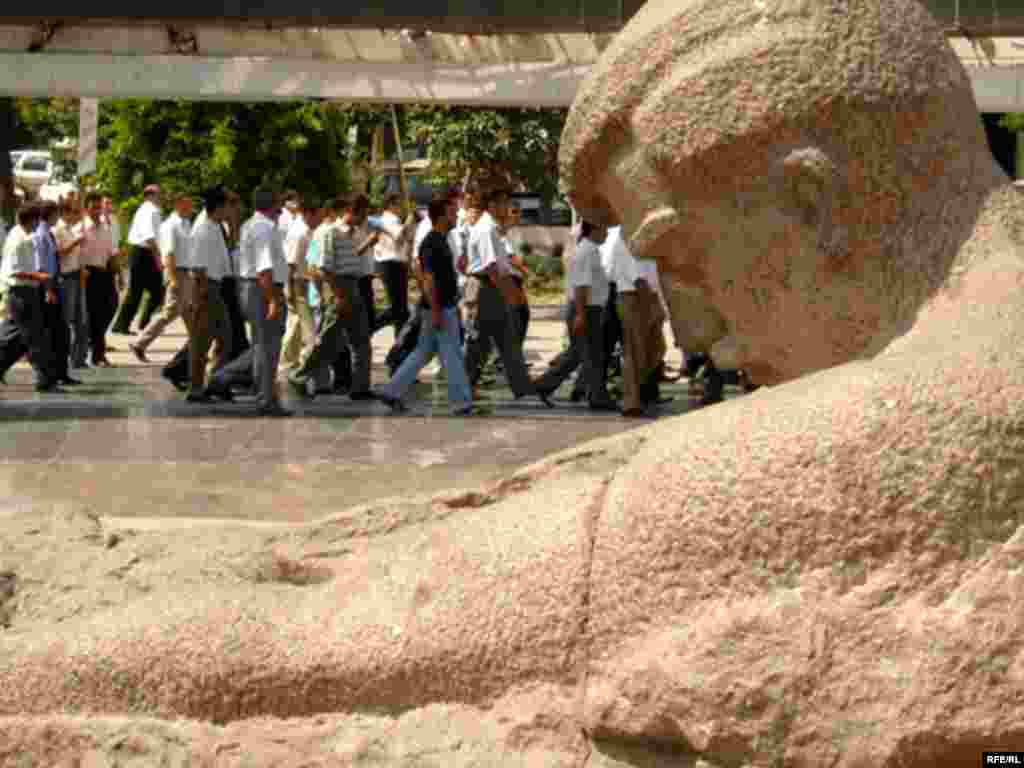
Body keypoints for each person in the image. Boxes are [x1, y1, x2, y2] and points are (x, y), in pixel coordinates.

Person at [375, 198, 473, 415]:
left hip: (439, 306)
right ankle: (462, 403)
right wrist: (437, 309)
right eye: (452, 213)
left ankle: (391, 392)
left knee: (423, 352)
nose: (456, 216)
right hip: (438, 308)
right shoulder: (432, 243)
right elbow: (428, 279)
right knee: (453, 356)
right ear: (440, 216)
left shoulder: (441, 240)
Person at [461, 189, 551, 407]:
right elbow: (491, 266)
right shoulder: (485, 228)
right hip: (486, 288)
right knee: (478, 344)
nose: (507, 207)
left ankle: (522, 390)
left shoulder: (491, 227)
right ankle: (463, 387)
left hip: (491, 287)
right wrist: (508, 293)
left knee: (506, 340)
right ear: (491, 205)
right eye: (503, 203)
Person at [208, 188, 290, 417]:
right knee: (267, 348)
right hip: (263, 289)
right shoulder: (264, 228)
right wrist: (273, 299)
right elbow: (264, 268)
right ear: (273, 204)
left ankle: (224, 378)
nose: (282, 208)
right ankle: (266, 400)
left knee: (261, 346)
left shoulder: (250, 225)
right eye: (279, 203)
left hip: (254, 288)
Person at [532, 221, 617, 411]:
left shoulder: (589, 250)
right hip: (586, 309)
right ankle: (597, 397)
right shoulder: (587, 252)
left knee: (579, 354)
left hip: (587, 309)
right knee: (592, 355)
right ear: (593, 229)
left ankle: (542, 386)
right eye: (604, 229)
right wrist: (580, 314)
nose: (606, 233)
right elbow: (581, 286)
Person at [180, 187, 233, 404]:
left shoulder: (214, 226)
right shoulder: (202, 229)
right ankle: (196, 388)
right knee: (201, 341)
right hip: (205, 288)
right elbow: (198, 266)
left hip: (214, 286)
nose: (229, 209)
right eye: (226, 205)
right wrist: (201, 295)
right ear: (218, 207)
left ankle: (215, 382)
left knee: (224, 337)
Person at [0, 205, 58, 391]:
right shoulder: (20, 240)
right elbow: (16, 271)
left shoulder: (20, 234)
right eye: (36, 220)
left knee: (16, 338)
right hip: (21, 293)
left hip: (24, 293)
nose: (38, 224)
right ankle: (45, 379)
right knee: (35, 338)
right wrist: (39, 277)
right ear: (32, 220)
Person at [130, 194, 192, 363]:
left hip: (186, 273)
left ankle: (195, 348)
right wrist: (172, 278)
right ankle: (140, 343)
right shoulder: (170, 226)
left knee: (191, 313)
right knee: (170, 312)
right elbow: (169, 254)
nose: (191, 207)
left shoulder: (186, 223)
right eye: (188, 204)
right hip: (176, 272)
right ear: (179, 204)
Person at [34, 201, 78, 387]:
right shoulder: (42, 235)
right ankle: (53, 374)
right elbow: (42, 266)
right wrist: (49, 289)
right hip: (49, 287)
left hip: (54, 285)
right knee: (55, 332)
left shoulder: (46, 233)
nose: (58, 217)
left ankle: (60, 372)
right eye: (56, 213)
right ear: (51, 214)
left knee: (61, 332)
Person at [112, 184, 164, 335]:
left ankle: (129, 324)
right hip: (145, 253)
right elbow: (149, 237)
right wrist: (158, 258)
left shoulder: (146, 209)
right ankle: (136, 324)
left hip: (141, 253)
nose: (161, 196)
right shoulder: (150, 211)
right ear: (150, 195)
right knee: (149, 291)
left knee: (146, 291)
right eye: (159, 193)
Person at [80, 193, 119, 368]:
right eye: (94, 207)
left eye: (99, 207)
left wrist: (119, 274)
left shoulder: (105, 227)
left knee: (111, 306)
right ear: (86, 208)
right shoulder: (81, 228)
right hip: (89, 274)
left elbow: (111, 252)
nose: (97, 211)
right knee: (95, 314)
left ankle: (95, 345)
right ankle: (98, 354)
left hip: (106, 272)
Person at [280, 199, 318, 371]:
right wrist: (288, 289)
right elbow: (290, 263)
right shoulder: (299, 233)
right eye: (317, 216)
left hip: (305, 280)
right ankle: (294, 362)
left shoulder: (308, 230)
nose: (319, 220)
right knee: (306, 326)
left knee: (295, 324)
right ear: (308, 214)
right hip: (298, 282)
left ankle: (288, 361)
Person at [53, 199, 88, 370]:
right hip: (66, 278)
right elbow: (59, 254)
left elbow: (76, 255)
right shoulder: (58, 230)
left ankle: (78, 359)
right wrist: (75, 243)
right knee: (67, 320)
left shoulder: (69, 229)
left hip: (76, 275)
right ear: (64, 212)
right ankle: (63, 360)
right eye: (73, 212)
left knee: (81, 319)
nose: (76, 216)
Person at [372, 194, 413, 335]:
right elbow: (399, 238)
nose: (400, 208)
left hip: (392, 264)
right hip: (391, 265)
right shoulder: (389, 219)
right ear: (391, 205)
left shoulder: (388, 219)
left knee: (400, 307)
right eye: (398, 204)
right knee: (398, 307)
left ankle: (400, 337)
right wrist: (409, 222)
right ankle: (373, 325)